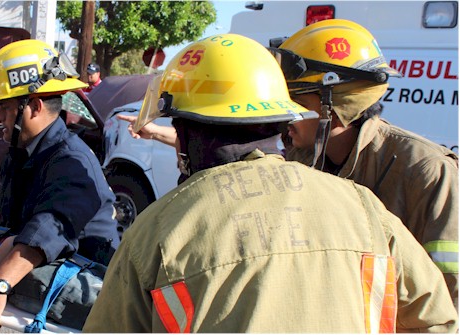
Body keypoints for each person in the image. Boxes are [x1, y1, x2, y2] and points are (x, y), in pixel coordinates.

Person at [82, 34, 457, 332]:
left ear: (182, 131)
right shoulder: (363, 207)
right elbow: (439, 318)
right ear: (280, 120)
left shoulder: (156, 232)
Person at [271, 19, 458, 308]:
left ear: (333, 106)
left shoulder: (425, 171)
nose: (284, 117)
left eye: (296, 103)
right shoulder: (298, 161)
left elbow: (449, 295)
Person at [0, 39, 120, 330]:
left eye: (5, 108)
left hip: (88, 289)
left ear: (33, 106)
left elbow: (50, 226)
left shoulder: (71, 161)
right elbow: (18, 226)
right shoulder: (25, 154)